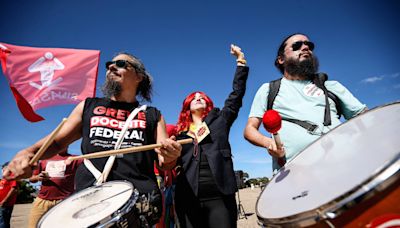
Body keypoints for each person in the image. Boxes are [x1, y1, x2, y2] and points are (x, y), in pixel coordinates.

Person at [3, 52, 182, 227]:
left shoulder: (152, 115)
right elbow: (57, 142)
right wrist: (28, 153)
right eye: (109, 65)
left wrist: (170, 156)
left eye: (120, 64)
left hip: (139, 203)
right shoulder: (88, 106)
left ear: (139, 77)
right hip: (91, 201)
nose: (111, 66)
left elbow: (164, 163)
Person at [244, 33, 367, 172]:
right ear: (281, 59)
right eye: (297, 46)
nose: (305, 47)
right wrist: (269, 143)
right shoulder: (269, 89)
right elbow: (250, 130)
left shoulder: (331, 85)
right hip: (296, 176)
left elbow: (365, 118)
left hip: (346, 166)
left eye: (309, 45)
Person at [174, 44, 249, 228]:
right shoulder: (179, 134)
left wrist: (241, 62)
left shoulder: (220, 120)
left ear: (207, 103)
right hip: (188, 196)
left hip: (220, 196)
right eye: (194, 97)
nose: (198, 97)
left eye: (202, 96)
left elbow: (236, 96)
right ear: (187, 105)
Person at [28, 148, 81, 228]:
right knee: (33, 226)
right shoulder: (43, 159)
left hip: (64, 202)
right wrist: (39, 177)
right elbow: (31, 179)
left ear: (68, 144)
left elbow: (93, 161)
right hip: (42, 201)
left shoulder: (75, 159)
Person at [0, 162, 18, 228]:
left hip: (6, 204)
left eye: (3, 168)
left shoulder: (11, 176)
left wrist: (4, 200)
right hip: (2, 203)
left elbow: (14, 189)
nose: (2, 169)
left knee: (3, 222)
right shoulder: (4, 178)